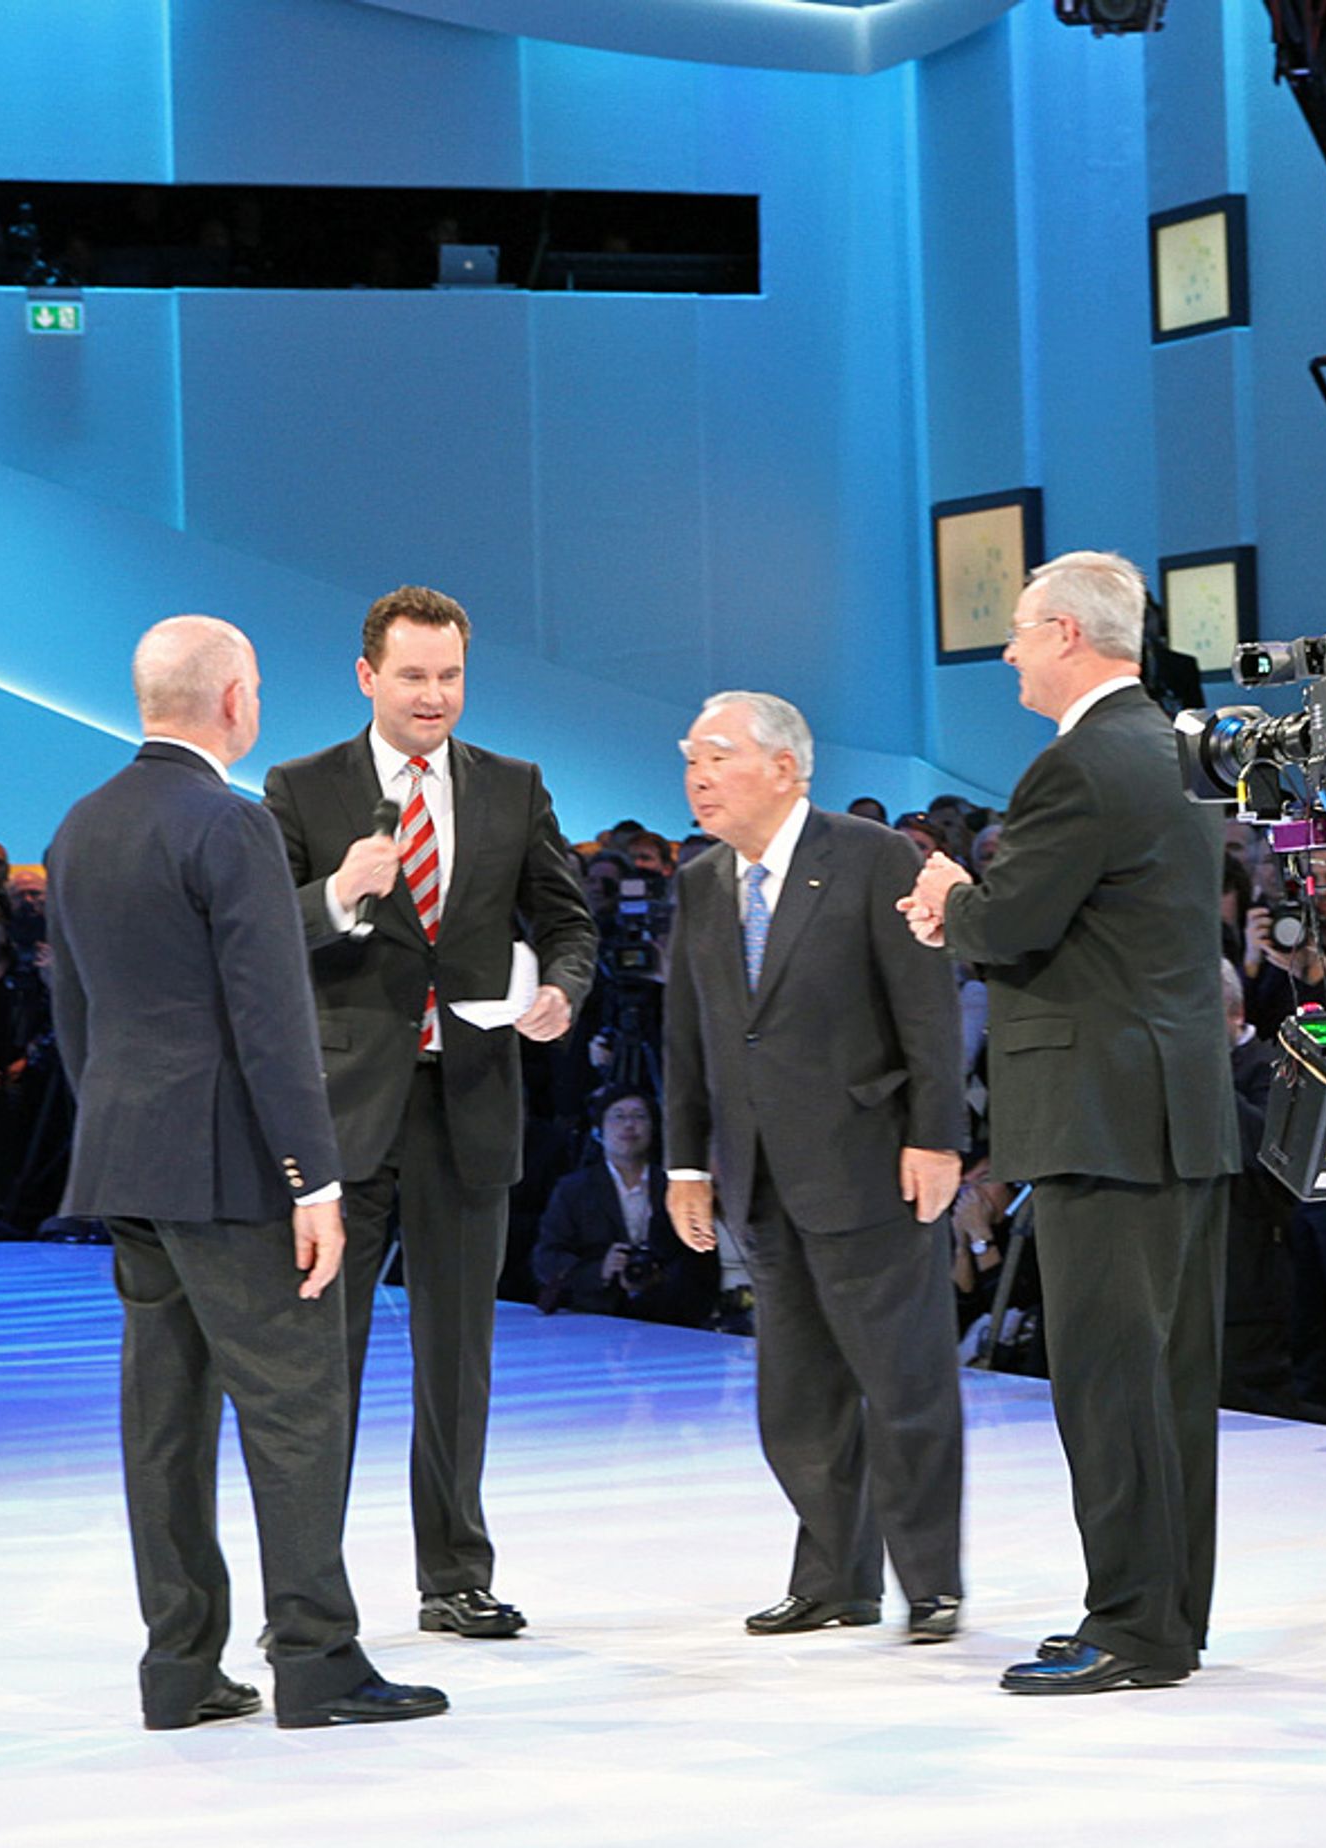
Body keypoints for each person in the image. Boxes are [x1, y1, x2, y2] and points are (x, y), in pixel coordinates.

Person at [47, 614, 444, 1729]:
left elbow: (73, 1015)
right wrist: (312, 1178)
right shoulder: (230, 825)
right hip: (229, 1164)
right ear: (231, 700)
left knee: (163, 1417)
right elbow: (271, 1019)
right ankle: (316, 1657)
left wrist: (119, 1129)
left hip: (128, 1161)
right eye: (256, 685)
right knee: (295, 1406)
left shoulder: (80, 825)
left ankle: (178, 1663)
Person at [901, 549, 1240, 1695]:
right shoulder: (1173, 747)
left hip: (1104, 1110)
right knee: (1167, 1379)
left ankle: (1132, 1626)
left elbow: (1008, 925)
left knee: (1105, 1376)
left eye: (1014, 631)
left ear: (1064, 635)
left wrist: (948, 894)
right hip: (1173, 1108)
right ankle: (1164, 1614)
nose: (1003, 651)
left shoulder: (1078, 764)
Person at [262, 584, 596, 1640]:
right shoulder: (302, 786)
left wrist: (561, 992)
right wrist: (334, 895)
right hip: (347, 1113)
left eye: (449, 675)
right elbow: (259, 937)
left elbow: (568, 920)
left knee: (459, 1357)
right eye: (413, 675)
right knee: (323, 1362)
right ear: (368, 677)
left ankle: (455, 1573)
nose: (433, 695)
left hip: (471, 1099)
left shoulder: (512, 784)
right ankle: (306, 1596)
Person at [660, 691, 968, 1642]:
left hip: (871, 1162)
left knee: (904, 1381)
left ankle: (931, 1583)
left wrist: (938, 1136)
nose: (698, 776)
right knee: (795, 1397)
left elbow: (926, 1009)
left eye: (717, 756)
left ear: (787, 767)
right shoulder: (704, 880)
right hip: (758, 1174)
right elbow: (689, 1032)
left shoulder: (871, 856)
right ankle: (836, 1576)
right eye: (690, 760)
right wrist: (683, 1163)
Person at [530, 1089, 711, 1323]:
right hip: (594, 1315)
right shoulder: (574, 1189)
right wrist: (600, 1269)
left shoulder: (674, 1187)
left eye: (639, 1116)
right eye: (618, 1116)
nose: (629, 1125)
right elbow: (545, 1258)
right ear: (600, 1130)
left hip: (670, 1315)